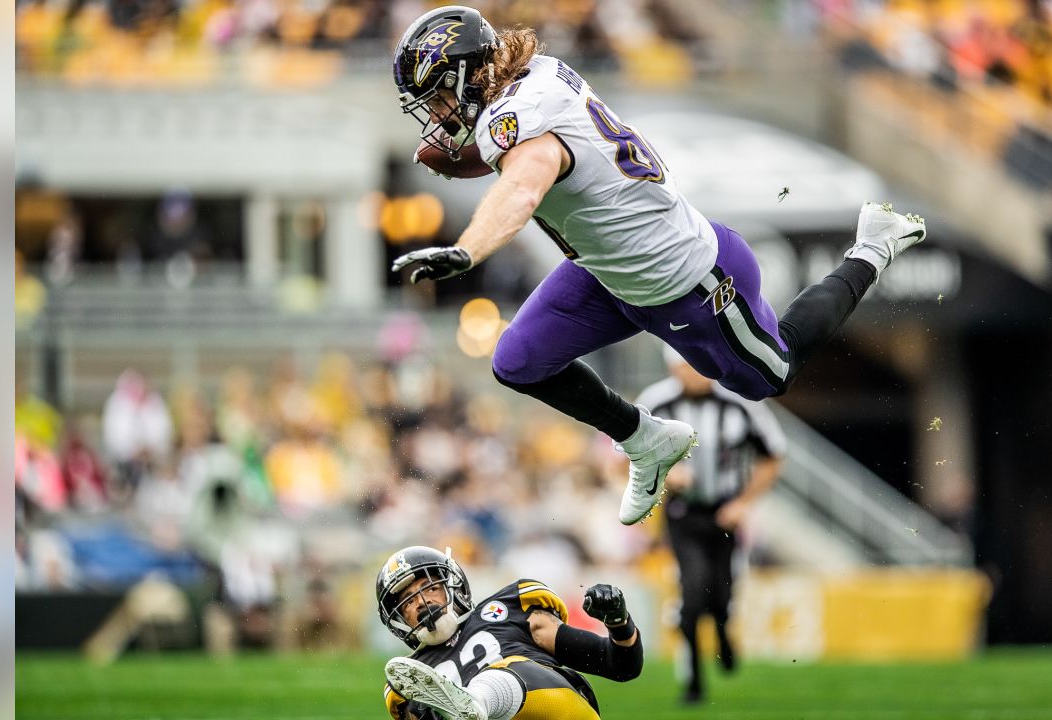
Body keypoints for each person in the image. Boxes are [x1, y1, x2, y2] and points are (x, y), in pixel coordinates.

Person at [389, 6, 927, 526]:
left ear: (466, 76)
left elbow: (525, 184)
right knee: (517, 360)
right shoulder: (531, 77)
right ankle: (645, 439)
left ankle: (871, 248)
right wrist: (463, 164)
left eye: (436, 99)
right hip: (607, 273)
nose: (436, 116)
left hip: (688, 278)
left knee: (772, 373)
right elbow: (524, 154)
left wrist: (467, 249)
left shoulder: (518, 118)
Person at [636, 347, 786, 704]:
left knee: (720, 595)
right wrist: (665, 474)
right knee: (691, 594)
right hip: (681, 514)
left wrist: (743, 503)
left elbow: (773, 456)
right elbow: (623, 458)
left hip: (724, 513)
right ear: (673, 368)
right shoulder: (654, 403)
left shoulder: (740, 401)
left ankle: (722, 632)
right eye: (687, 365)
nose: (696, 372)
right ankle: (695, 683)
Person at [377, 546, 642, 720]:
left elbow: (621, 666)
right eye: (408, 600)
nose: (421, 602)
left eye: (429, 587)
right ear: (399, 619)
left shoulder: (508, 609)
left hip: (557, 710)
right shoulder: (409, 677)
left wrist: (619, 623)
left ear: (451, 584)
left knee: (512, 667)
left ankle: (476, 702)